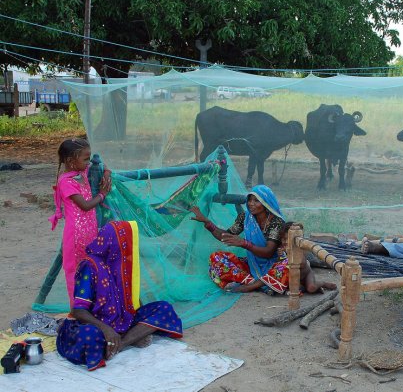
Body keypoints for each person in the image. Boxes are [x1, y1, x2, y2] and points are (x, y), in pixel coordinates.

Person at [56, 221, 183, 371]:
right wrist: (106, 329)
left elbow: (133, 300)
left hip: (122, 318)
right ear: (114, 243)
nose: (128, 247)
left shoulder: (121, 263)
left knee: (164, 309)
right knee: (90, 337)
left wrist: (136, 316)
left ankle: (121, 343)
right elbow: (78, 310)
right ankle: (124, 338)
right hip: (95, 323)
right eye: (125, 242)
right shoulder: (89, 266)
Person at [190, 185, 335, 294]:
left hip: (274, 263)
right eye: (250, 200)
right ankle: (260, 283)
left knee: (288, 263)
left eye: (256, 201)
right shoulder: (245, 218)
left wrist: (244, 243)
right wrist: (207, 223)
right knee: (217, 258)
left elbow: (268, 252)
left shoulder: (276, 222)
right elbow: (225, 236)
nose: (251, 204)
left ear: (266, 203)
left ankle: (254, 285)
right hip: (253, 265)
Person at [49, 138, 112, 306]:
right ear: (71, 161)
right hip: (76, 236)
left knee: (90, 269)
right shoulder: (66, 182)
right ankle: (77, 310)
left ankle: (89, 308)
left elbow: (102, 164)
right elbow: (84, 206)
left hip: (89, 233)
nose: (88, 162)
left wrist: (106, 173)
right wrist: (102, 194)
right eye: (85, 158)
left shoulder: (81, 173)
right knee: (76, 272)